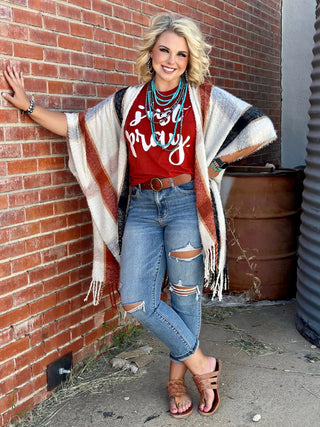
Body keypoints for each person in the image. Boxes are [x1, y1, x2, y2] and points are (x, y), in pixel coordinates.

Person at [2, 14, 276, 418]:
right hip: (143, 208)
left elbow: (261, 128)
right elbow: (77, 128)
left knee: (184, 297)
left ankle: (175, 382)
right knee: (136, 299)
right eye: (165, 49)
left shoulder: (201, 97)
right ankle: (203, 364)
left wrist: (216, 165)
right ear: (150, 52)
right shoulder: (126, 101)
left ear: (189, 61)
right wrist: (28, 105)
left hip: (185, 202)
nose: (171, 60)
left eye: (181, 54)